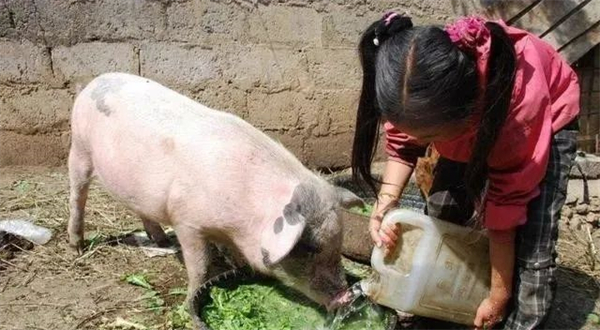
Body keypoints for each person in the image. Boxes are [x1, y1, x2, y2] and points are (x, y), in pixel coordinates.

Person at [351, 12, 580, 330]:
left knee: (532, 246)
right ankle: (444, 307)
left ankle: (521, 319)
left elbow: (506, 206)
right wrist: (386, 202)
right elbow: (403, 145)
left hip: (545, 118)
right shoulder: (416, 84)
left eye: (427, 139)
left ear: (463, 115)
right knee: (444, 212)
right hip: (471, 120)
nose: (418, 143)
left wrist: (499, 296)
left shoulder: (515, 112)